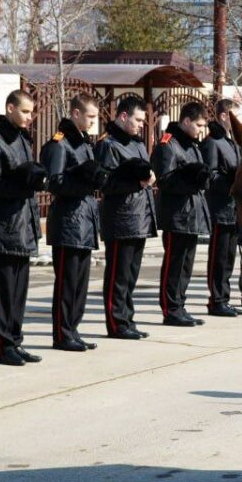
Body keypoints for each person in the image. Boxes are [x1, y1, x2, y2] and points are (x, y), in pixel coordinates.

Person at [0, 90, 46, 366]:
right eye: (25, 112)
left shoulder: (20, 137)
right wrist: (22, 183)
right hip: (5, 225)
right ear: (10, 108)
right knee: (4, 291)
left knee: (19, 291)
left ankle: (15, 341)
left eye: (31, 112)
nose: (30, 118)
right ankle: (3, 344)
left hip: (23, 223)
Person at [42, 93, 105, 352]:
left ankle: (73, 330)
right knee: (67, 282)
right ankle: (62, 333)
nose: (93, 121)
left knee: (80, 282)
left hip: (85, 220)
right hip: (68, 221)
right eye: (90, 116)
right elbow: (54, 182)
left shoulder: (84, 144)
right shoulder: (61, 143)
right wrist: (84, 181)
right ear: (76, 114)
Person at [96, 94, 159, 340]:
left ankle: (127, 319)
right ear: (123, 116)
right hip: (121, 217)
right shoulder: (108, 144)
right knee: (118, 275)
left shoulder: (138, 144)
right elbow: (107, 183)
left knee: (131, 274)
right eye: (138, 120)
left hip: (139, 216)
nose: (142, 124)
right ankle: (116, 323)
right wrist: (139, 182)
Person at [152, 101, 213, 326]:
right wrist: (190, 179)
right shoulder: (168, 144)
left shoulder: (192, 146)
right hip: (176, 215)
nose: (201, 129)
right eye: (198, 124)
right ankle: (170, 309)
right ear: (186, 121)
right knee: (174, 264)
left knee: (186, 265)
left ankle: (180, 305)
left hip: (192, 214)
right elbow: (165, 179)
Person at [202, 99, 242, 317]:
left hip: (233, 209)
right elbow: (210, 176)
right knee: (219, 257)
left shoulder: (231, 142)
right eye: (234, 115)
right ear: (223, 115)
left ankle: (225, 298)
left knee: (229, 257)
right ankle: (216, 300)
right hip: (220, 208)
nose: (238, 120)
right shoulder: (213, 142)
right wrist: (232, 180)